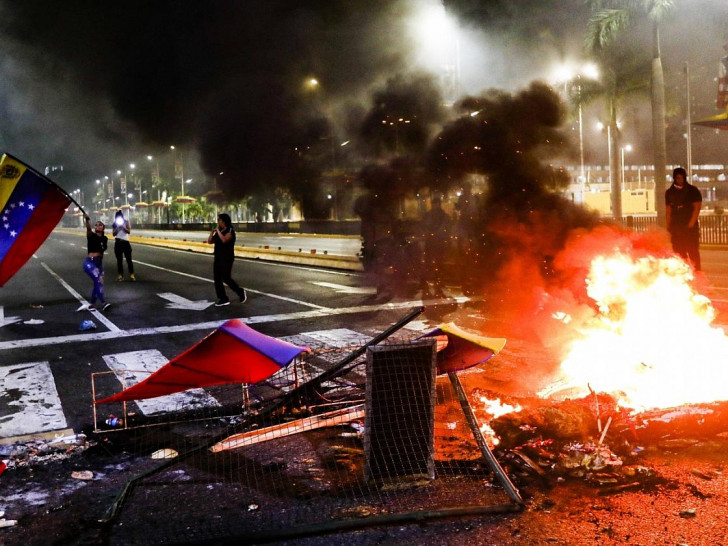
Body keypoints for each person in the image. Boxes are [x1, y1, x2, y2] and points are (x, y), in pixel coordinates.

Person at [665, 167, 702, 271]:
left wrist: (690, 225)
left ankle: (697, 274)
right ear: (674, 178)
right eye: (678, 178)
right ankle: (683, 274)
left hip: (690, 229)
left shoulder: (692, 190)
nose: (680, 180)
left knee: (693, 252)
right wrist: (669, 226)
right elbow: (668, 210)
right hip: (676, 227)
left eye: (682, 178)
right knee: (679, 253)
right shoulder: (669, 192)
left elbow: (697, 208)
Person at [207, 213, 247, 306]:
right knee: (217, 279)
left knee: (226, 277)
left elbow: (224, 240)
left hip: (227, 258)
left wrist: (218, 230)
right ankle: (223, 298)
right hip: (217, 257)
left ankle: (240, 292)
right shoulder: (219, 231)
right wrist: (212, 232)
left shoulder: (230, 230)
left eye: (219, 220)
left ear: (223, 221)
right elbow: (210, 241)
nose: (217, 222)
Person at [419, 194, 452, 297]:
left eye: (436, 204)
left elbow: (448, 228)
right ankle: (424, 282)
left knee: (439, 262)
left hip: (439, 241)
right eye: (434, 204)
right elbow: (423, 226)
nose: (435, 206)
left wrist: (446, 238)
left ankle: (438, 281)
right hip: (431, 240)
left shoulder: (444, 216)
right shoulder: (428, 215)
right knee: (428, 262)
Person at [83, 215, 111, 311]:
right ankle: (103, 303)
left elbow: (102, 252)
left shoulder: (105, 239)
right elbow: (88, 228)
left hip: (98, 263)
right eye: (96, 225)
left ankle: (93, 304)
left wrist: (100, 268)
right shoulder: (91, 235)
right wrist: (87, 219)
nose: (98, 226)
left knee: (98, 283)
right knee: (98, 281)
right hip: (89, 263)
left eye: (100, 225)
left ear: (103, 227)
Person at [112, 210, 135, 281]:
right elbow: (113, 234)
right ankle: (120, 275)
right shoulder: (114, 224)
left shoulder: (126, 222)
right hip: (118, 243)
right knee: (119, 260)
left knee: (129, 260)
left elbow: (129, 231)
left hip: (126, 243)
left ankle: (131, 274)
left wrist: (123, 227)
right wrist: (118, 228)